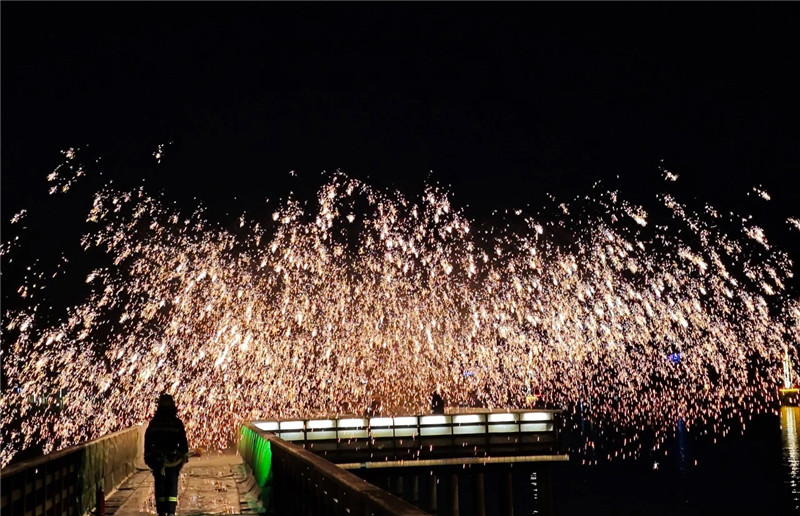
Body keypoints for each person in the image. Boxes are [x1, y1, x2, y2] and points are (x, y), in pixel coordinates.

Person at [144, 392, 189, 516]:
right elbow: (183, 442)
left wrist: (148, 457)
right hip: (173, 460)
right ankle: (170, 511)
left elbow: (148, 441)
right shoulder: (176, 423)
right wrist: (184, 456)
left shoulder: (154, 423)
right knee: (171, 485)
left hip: (158, 460)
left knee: (160, 485)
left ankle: (162, 511)